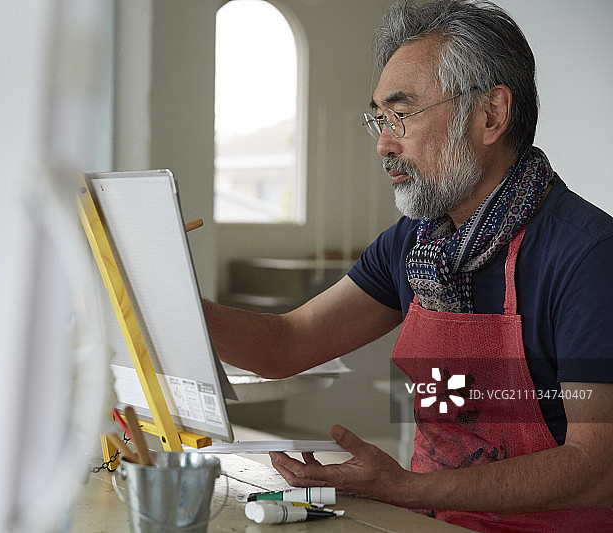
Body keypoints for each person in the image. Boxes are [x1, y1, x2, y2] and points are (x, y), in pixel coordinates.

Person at [203, 0, 613, 530]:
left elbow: (597, 469)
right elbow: (287, 344)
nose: (382, 144)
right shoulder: (415, 244)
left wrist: (405, 487)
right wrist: (164, 296)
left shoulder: (586, 255)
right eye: (379, 117)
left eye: (403, 114)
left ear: (491, 114)